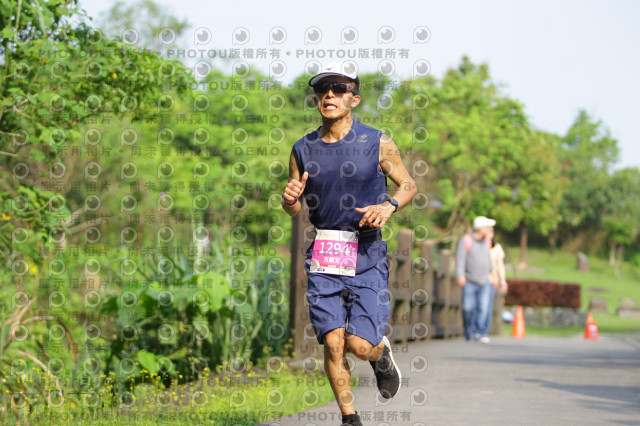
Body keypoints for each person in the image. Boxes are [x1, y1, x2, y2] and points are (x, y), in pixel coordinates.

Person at [282, 62, 417, 426]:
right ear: (317, 99)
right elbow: (294, 209)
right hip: (325, 254)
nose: (330, 94)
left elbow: (408, 186)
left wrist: (388, 207)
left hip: (366, 252)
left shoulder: (377, 142)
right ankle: (349, 418)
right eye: (324, 89)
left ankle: (379, 354)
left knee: (358, 347)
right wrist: (290, 199)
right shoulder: (302, 148)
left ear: (353, 99)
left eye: (339, 89)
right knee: (333, 342)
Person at [455, 216, 498, 343]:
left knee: (483, 307)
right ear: (480, 228)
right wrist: (460, 275)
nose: (490, 229)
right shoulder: (467, 240)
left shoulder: (487, 241)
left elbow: (489, 260)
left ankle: (480, 332)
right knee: (468, 307)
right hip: (469, 279)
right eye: (487, 227)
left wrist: (493, 276)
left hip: (485, 280)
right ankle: (468, 328)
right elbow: (460, 259)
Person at [487, 231, 508, 334]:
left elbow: (500, 265)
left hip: (491, 281)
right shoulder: (476, 244)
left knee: (486, 306)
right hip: (475, 279)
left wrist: (502, 280)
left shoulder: (497, 248)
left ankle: (483, 331)